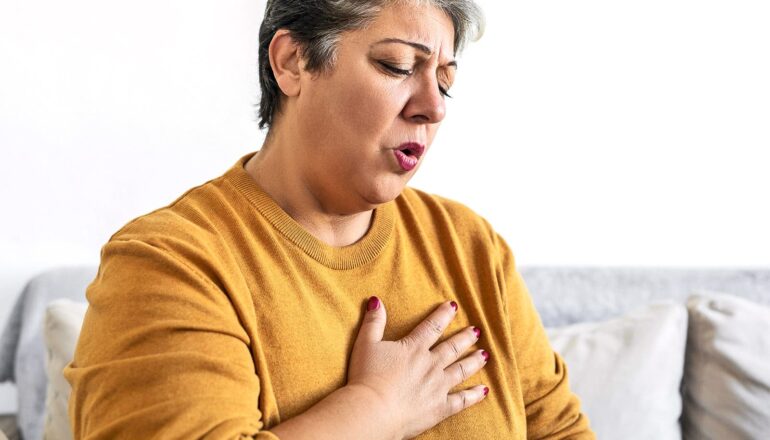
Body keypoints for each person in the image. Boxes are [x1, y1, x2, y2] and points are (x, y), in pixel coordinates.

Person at [65, 0, 595, 438]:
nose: (433, 107)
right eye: (397, 66)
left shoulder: (471, 246)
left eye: (445, 79)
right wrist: (374, 409)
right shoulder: (169, 263)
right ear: (293, 62)